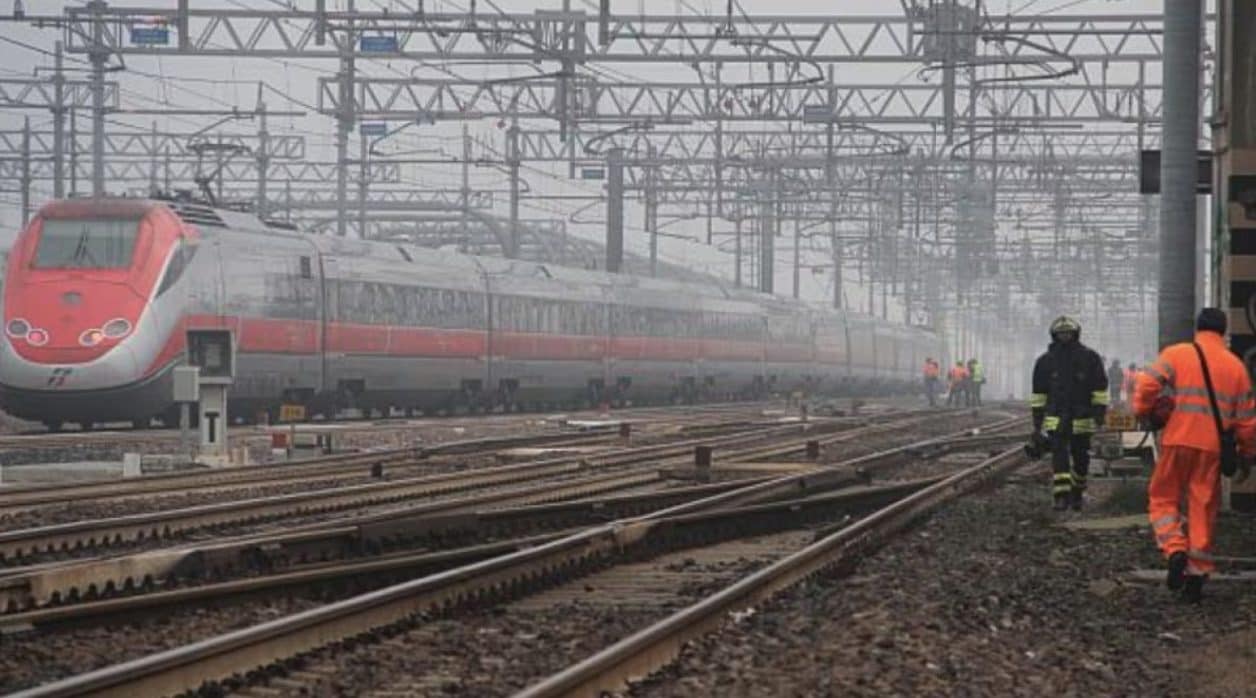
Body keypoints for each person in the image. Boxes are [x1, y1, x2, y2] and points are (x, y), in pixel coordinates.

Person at [1132, 308, 1256, 603]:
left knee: (1163, 498)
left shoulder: (1176, 354)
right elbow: (1247, 420)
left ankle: (1174, 549)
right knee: (1202, 507)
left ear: (1197, 328)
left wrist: (1143, 410)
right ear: (1223, 331)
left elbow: (1147, 383)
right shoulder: (1236, 367)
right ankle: (1197, 574)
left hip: (1177, 440)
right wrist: (1247, 452)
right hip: (1211, 448)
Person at [1028, 316, 1108, 511]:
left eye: (1068, 333)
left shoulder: (1090, 358)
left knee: (1081, 458)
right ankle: (1061, 496)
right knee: (1059, 456)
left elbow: (1099, 388)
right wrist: (1037, 423)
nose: (1064, 336)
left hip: (1082, 417)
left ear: (1075, 334)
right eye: (1061, 333)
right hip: (1056, 418)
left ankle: (1077, 492)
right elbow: (1038, 394)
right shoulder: (1045, 362)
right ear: (1054, 335)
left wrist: (1099, 413)